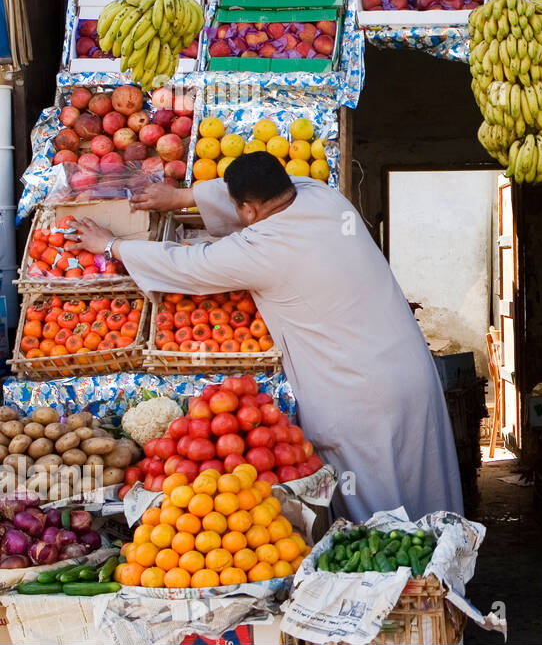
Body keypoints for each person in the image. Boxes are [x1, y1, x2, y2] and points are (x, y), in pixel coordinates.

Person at [73, 152, 463, 521]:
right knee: (426, 488)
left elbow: (188, 264)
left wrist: (111, 245)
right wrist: (179, 197)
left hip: (358, 395)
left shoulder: (260, 250)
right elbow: (273, 192)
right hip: (410, 371)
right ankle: (439, 582)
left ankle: (396, 589)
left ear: (247, 210)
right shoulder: (325, 199)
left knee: (378, 512)